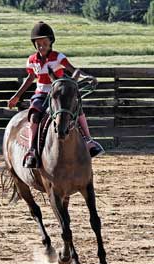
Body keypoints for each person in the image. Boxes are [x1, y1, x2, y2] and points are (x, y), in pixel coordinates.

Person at [8, 21, 104, 168]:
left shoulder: (58, 57)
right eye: (38, 44)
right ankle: (32, 150)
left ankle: (89, 141)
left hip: (59, 93)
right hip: (41, 93)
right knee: (34, 115)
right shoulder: (32, 60)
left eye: (44, 43)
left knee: (76, 110)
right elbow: (30, 78)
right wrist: (17, 96)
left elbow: (72, 69)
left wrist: (86, 77)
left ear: (50, 42)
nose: (41, 47)